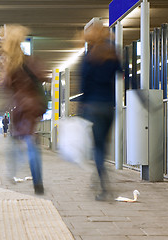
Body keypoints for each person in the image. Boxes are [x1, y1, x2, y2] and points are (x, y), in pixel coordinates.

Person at [0, 24, 47, 195]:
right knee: (31, 142)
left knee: (16, 140)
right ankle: (38, 182)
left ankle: (12, 172)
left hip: (19, 107)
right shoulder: (29, 59)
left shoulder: (9, 63)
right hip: (33, 106)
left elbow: (5, 85)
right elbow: (42, 76)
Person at [80, 22, 121, 201]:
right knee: (103, 146)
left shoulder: (88, 57)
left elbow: (84, 86)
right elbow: (122, 73)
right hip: (109, 107)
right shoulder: (113, 52)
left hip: (93, 107)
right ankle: (99, 176)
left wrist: (81, 108)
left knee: (97, 149)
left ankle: (103, 186)